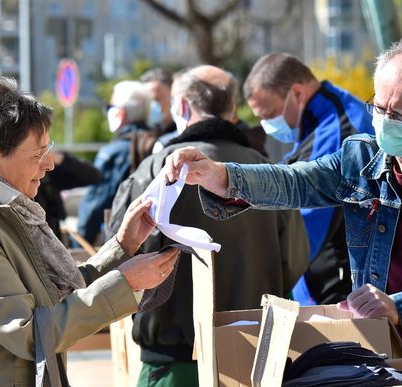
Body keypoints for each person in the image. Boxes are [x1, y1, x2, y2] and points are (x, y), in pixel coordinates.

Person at [162, 38, 402, 350]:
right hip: (385, 342)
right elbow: (295, 182)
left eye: (400, 116)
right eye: (378, 108)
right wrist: (220, 175)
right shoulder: (361, 155)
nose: (385, 123)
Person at [0, 78, 179, 387]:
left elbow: (56, 293)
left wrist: (123, 246)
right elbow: (29, 331)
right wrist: (127, 282)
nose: (49, 165)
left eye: (47, 150)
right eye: (38, 154)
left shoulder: (0, 205)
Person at [110, 65, 309, 387]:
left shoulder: (155, 171)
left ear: (183, 106)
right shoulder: (267, 173)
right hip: (254, 357)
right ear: (232, 109)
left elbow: (118, 253)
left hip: (172, 361)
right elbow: (296, 259)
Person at [243, 52, 375, 307]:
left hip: (338, 287)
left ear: (297, 93)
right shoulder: (324, 116)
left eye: (270, 114)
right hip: (325, 280)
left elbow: (305, 232)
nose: (266, 124)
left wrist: (252, 280)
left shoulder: (337, 131)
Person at [77, 80, 152, 245]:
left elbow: (94, 205)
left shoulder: (113, 152)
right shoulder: (159, 143)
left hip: (122, 241)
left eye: (110, 107)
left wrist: (80, 243)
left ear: (121, 113)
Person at [35, 150, 101, 245]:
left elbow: (93, 176)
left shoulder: (50, 172)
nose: (49, 166)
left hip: (54, 238)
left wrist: (60, 159)